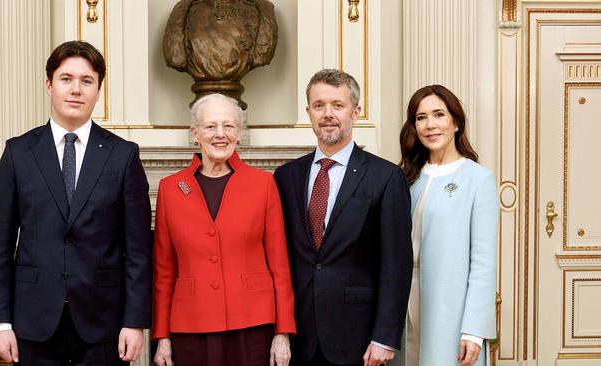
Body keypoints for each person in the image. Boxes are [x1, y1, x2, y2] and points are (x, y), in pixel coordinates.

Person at [0, 40, 152, 365]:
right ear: (49, 85)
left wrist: (135, 321)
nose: (76, 89)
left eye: (87, 81)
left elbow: (138, 250)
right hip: (32, 323)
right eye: (66, 79)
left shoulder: (123, 155)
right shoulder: (18, 153)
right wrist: (0, 321)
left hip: (104, 323)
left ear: (98, 90)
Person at [273, 69, 413, 366]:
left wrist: (385, 337)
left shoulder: (386, 177)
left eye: (338, 105)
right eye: (319, 105)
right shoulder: (286, 177)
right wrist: (279, 330)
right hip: (298, 337)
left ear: (356, 111)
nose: (328, 114)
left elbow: (396, 266)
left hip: (358, 338)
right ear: (308, 112)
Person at [152, 93, 296, 366]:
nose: (220, 134)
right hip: (190, 325)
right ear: (195, 134)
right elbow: (164, 270)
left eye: (228, 126)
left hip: (252, 324)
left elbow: (280, 266)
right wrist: (162, 337)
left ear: (239, 133)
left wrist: (283, 332)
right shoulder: (171, 189)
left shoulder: (263, 184)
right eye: (210, 126)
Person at [397, 85, 498, 366]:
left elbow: (483, 262)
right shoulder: (404, 178)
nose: (430, 125)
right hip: (403, 302)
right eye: (420, 117)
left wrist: (474, 330)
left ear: (456, 122)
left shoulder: (478, 180)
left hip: (450, 307)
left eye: (439, 115)